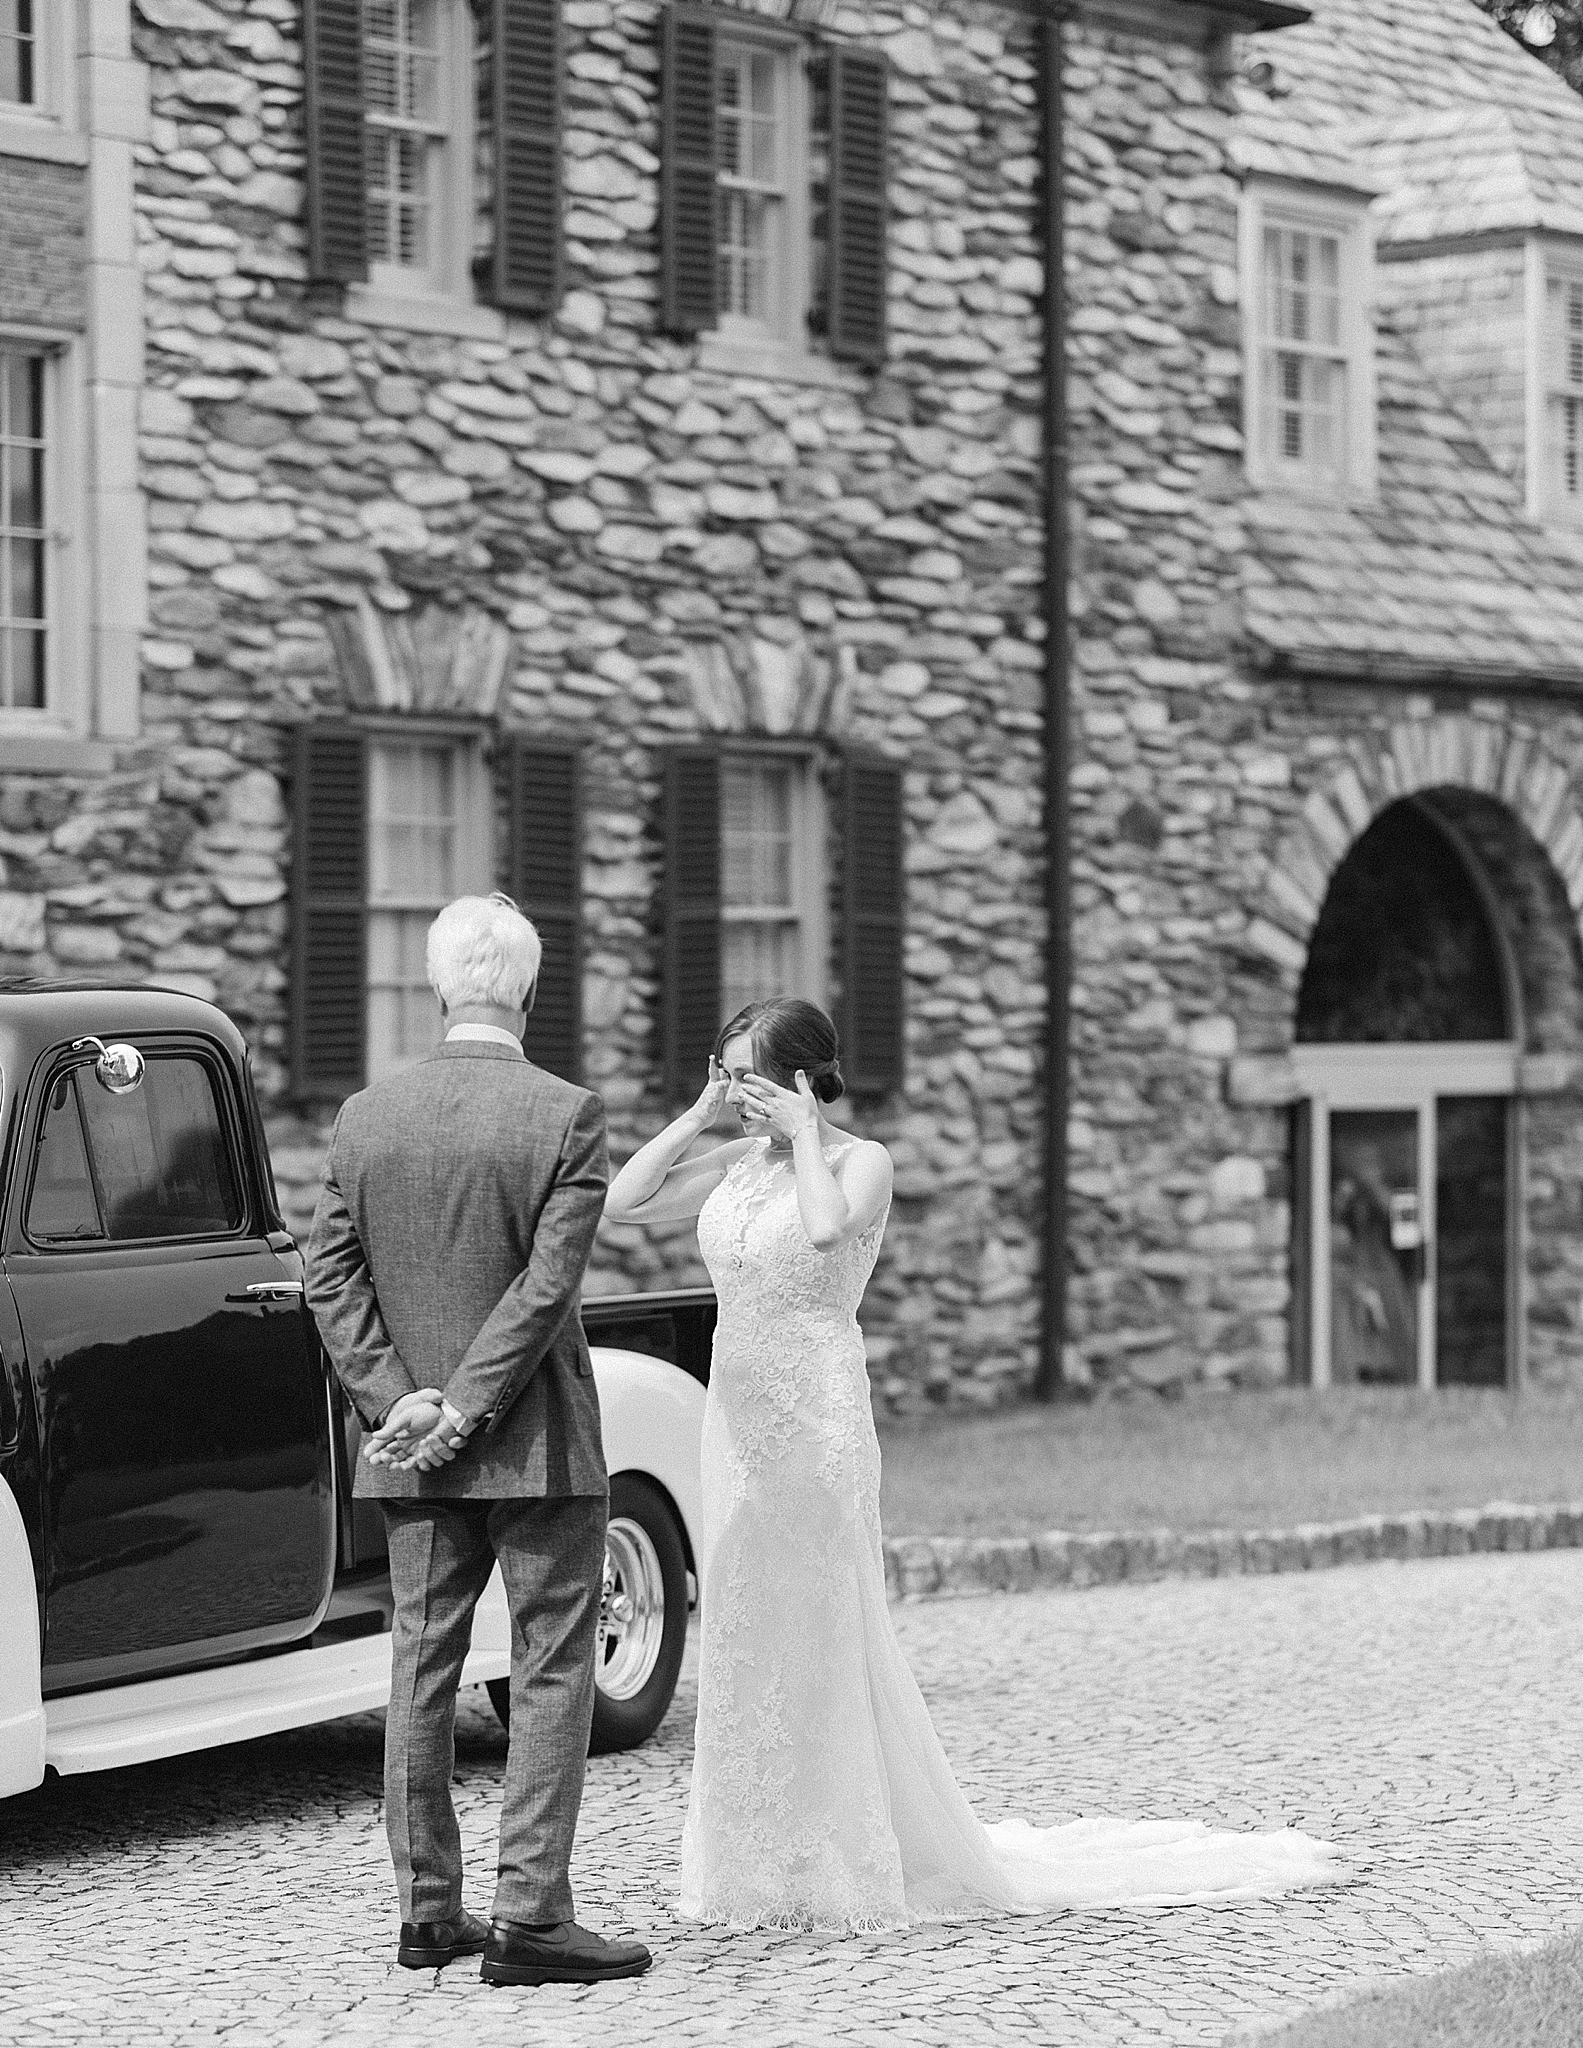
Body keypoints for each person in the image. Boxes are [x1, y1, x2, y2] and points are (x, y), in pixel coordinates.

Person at [605, 995, 1348, 1930]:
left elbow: (829, 1229)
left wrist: (800, 1132)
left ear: (800, 1078)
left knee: (825, 1623)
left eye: (750, 1076)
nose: (739, 1094)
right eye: (728, 1074)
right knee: (749, 1625)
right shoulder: (732, 1164)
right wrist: (698, 1115)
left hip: (818, 1417)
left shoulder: (858, 1161)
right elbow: (623, 1202)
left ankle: (849, 1853)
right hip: (737, 1418)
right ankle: (755, 1861)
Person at [305, 892, 651, 1987]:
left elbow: (328, 1274)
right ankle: (531, 1918)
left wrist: (399, 1400)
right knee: (552, 1669)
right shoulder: (566, 1112)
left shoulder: (366, 1116)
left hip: (413, 1449)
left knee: (419, 1666)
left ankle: (425, 1914)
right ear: (529, 991)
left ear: (436, 985)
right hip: (537, 1440)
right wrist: (461, 1402)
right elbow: (548, 1286)